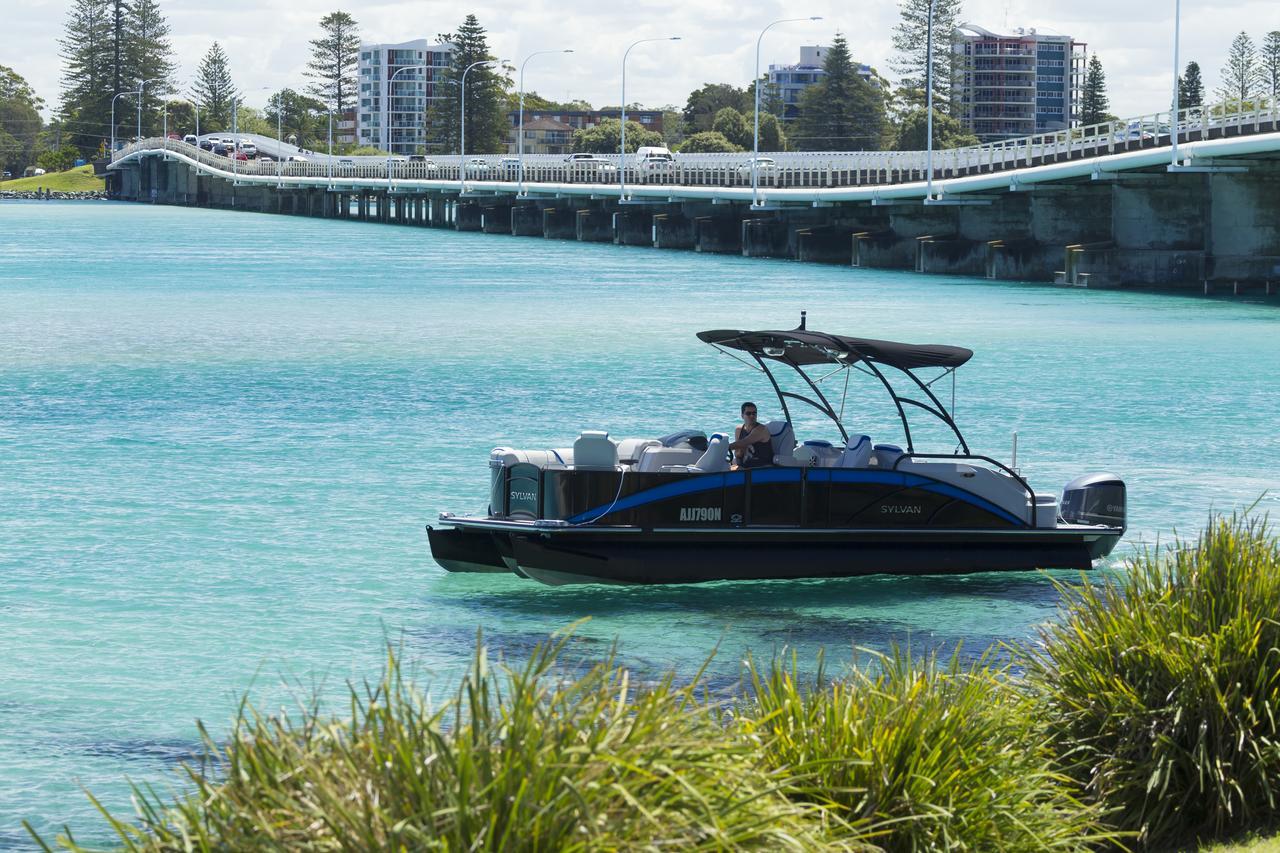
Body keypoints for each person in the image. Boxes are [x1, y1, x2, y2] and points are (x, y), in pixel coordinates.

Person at [729, 402, 773, 469]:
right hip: (744, 467)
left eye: (754, 413)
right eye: (748, 413)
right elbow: (737, 454)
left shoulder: (761, 429)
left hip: (762, 467)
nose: (752, 416)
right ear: (742, 416)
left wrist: (723, 448)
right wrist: (739, 452)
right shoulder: (739, 430)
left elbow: (744, 442)